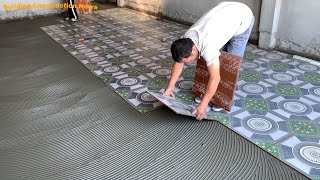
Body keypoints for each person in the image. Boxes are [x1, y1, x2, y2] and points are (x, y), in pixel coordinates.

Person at [163, 2, 254, 120]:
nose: (188, 63)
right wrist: (170, 86)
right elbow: (179, 62)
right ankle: (208, 95)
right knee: (214, 61)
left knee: (230, 64)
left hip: (243, 17)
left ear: (194, 50)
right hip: (226, 15)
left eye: (188, 60)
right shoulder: (185, 40)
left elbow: (215, 77)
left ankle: (221, 100)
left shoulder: (208, 46)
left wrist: (203, 104)